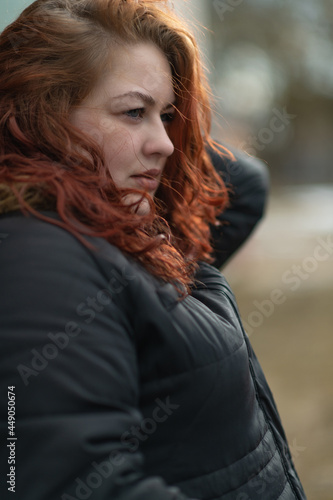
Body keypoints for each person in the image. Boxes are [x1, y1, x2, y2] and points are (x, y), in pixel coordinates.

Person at [0, 1, 306, 499]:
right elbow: (68, 484)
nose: (166, 143)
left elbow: (244, 186)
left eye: (167, 116)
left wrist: (130, 146)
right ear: (41, 114)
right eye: (134, 112)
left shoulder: (128, 229)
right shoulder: (38, 255)